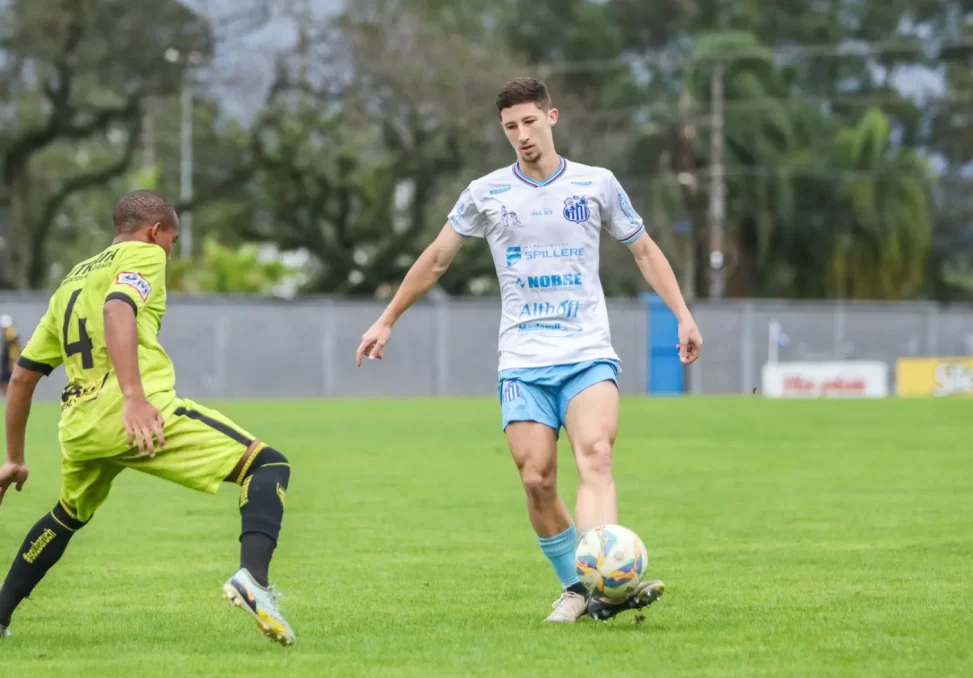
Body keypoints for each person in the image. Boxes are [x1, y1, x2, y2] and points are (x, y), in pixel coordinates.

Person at [356, 78, 703, 623]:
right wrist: (387, 318)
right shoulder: (486, 193)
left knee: (596, 455)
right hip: (522, 359)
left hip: (587, 351)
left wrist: (683, 315)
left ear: (552, 118)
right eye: (511, 127)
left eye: (530, 122)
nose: (522, 135)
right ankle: (578, 587)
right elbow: (437, 259)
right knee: (537, 477)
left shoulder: (597, 184)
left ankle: (610, 583)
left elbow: (644, 250)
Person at [0, 191, 295, 645]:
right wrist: (134, 397)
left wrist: (14, 458)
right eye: (173, 241)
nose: (170, 251)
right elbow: (119, 307)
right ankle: (253, 579)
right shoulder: (144, 255)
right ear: (156, 231)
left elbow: (22, 377)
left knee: (67, 513)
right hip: (135, 414)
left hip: (80, 427)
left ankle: (0, 615)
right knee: (268, 465)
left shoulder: (70, 284)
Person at [1, 314, 20, 398]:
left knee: (7, 380)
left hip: (9, 361)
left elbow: (13, 350)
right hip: (8, 360)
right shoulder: (10, 333)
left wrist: (12, 362)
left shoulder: (10, 333)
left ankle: (10, 397)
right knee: (4, 380)